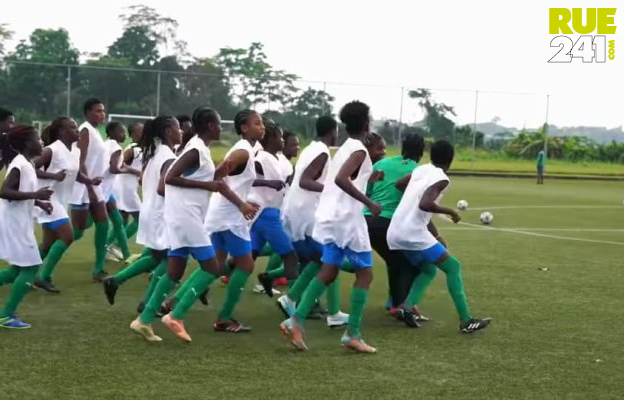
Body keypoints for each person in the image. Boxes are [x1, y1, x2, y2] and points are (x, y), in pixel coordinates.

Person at [131, 108, 257, 342]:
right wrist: (209, 186)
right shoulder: (196, 149)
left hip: (181, 215)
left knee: (175, 271)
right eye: (218, 124)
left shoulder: (200, 149)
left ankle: (144, 320)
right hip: (186, 215)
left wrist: (217, 177)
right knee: (212, 268)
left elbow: (199, 178)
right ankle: (176, 316)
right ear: (210, 126)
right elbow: (170, 178)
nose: (221, 128)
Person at [280, 101, 381, 353]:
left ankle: (295, 320)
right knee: (365, 274)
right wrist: (369, 202)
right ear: (366, 124)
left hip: (331, 218)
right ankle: (352, 334)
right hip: (347, 220)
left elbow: (348, 178)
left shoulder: (345, 147)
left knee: (328, 271)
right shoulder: (359, 150)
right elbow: (341, 179)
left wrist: (368, 180)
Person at [387, 140, 492, 334]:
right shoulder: (442, 178)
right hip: (413, 233)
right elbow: (425, 204)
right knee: (453, 267)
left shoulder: (421, 169)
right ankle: (466, 321)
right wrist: (450, 211)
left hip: (395, 231)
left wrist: (412, 195)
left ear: (431, 156)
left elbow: (400, 184)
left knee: (428, 270)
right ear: (450, 159)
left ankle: (405, 307)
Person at [103, 116, 181, 313]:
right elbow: (164, 188)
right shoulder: (167, 157)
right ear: (168, 131)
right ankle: (147, 303)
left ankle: (116, 281)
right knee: (171, 262)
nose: (181, 131)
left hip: (151, 211)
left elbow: (144, 179)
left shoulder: (154, 153)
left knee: (156, 258)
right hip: (161, 215)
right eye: (178, 128)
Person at [276, 116, 349, 328]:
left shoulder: (310, 148)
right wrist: (332, 189)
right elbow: (305, 180)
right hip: (307, 212)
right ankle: (333, 313)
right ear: (333, 131)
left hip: (296, 210)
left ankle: (290, 298)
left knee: (319, 260)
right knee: (331, 259)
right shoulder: (323, 152)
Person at [201, 109, 264, 333]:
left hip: (222, 213)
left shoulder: (249, 149)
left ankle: (171, 304)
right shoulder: (242, 151)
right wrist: (241, 204)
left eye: (261, 123)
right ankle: (224, 318)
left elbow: (232, 181)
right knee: (246, 265)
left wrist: (244, 201)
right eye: (257, 123)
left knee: (216, 265)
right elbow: (216, 177)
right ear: (244, 128)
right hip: (228, 215)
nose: (262, 127)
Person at [363, 131, 430, 326]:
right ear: (421, 151)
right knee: (412, 264)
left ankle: (394, 304)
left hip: (367, 221)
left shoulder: (381, 164)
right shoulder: (418, 171)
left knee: (395, 262)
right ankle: (403, 306)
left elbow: (368, 192)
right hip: (388, 223)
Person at [33, 118, 97, 293]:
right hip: (48, 199)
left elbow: (74, 174)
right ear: (62, 132)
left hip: (61, 201)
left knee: (47, 245)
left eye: (76, 127)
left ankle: (25, 273)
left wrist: (89, 181)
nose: (77, 130)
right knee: (68, 236)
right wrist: (53, 176)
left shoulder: (75, 151)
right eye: (73, 127)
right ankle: (44, 276)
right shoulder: (52, 150)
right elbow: (30, 167)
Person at [0, 126, 53, 329]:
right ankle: (5, 316)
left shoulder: (27, 163)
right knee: (31, 267)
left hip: (19, 221)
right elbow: (4, 191)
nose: (42, 142)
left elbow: (22, 191)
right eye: (38, 139)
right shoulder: (20, 164)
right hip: (14, 224)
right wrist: (35, 195)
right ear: (28, 143)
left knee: (16, 270)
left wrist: (39, 202)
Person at [249, 119, 299, 296]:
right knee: (292, 258)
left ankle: (207, 277)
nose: (282, 140)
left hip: (268, 213)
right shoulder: (260, 158)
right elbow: (246, 179)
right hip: (266, 213)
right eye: (280, 136)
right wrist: (269, 183)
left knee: (245, 260)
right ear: (271, 138)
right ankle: (295, 301)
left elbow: (285, 183)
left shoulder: (279, 160)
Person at [69, 98, 110, 282]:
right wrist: (89, 186)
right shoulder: (85, 130)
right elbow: (81, 160)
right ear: (87, 113)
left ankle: (98, 269)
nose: (102, 114)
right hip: (84, 186)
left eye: (103, 111)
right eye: (98, 111)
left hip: (94, 185)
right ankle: (42, 266)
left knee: (103, 224)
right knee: (76, 232)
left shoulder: (95, 131)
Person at [102, 121, 141, 263]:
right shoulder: (131, 149)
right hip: (124, 188)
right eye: (139, 131)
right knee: (140, 219)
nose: (143, 133)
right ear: (133, 134)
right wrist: (136, 172)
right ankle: (114, 246)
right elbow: (118, 165)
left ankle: (108, 247)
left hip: (128, 187)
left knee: (122, 220)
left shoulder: (143, 148)